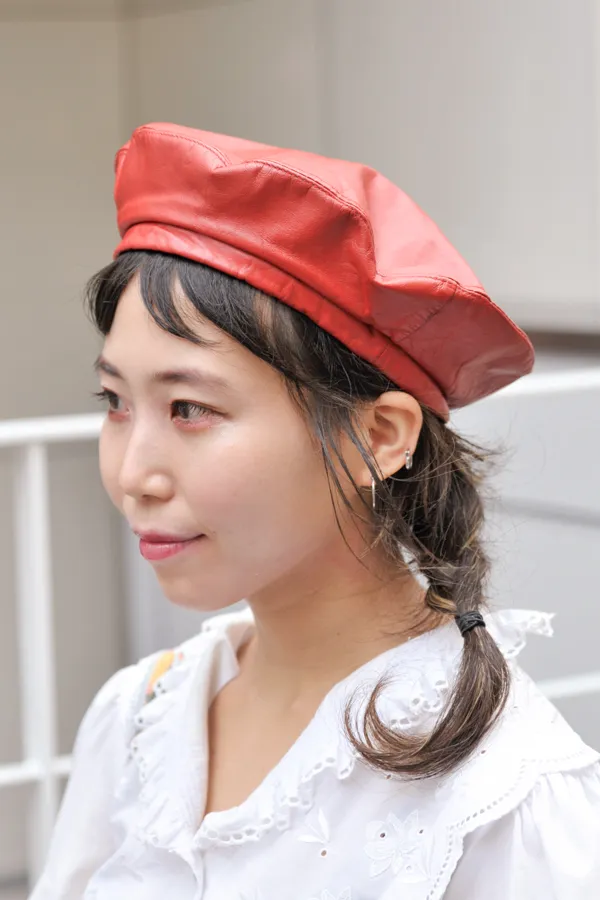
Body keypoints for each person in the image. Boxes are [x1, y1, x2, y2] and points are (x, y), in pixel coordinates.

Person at [31, 123, 599, 900]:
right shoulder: (137, 717)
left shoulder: (503, 793)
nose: (133, 475)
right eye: (115, 402)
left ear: (379, 436)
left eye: (190, 407)